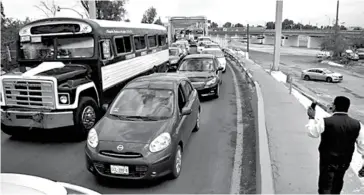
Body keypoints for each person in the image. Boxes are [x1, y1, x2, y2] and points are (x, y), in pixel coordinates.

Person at [306, 96, 364, 194]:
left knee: (325, 185)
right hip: (344, 162)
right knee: (338, 182)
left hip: (327, 160)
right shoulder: (357, 124)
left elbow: (312, 133)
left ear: (334, 106)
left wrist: (311, 118)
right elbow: (363, 146)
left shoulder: (325, 121)